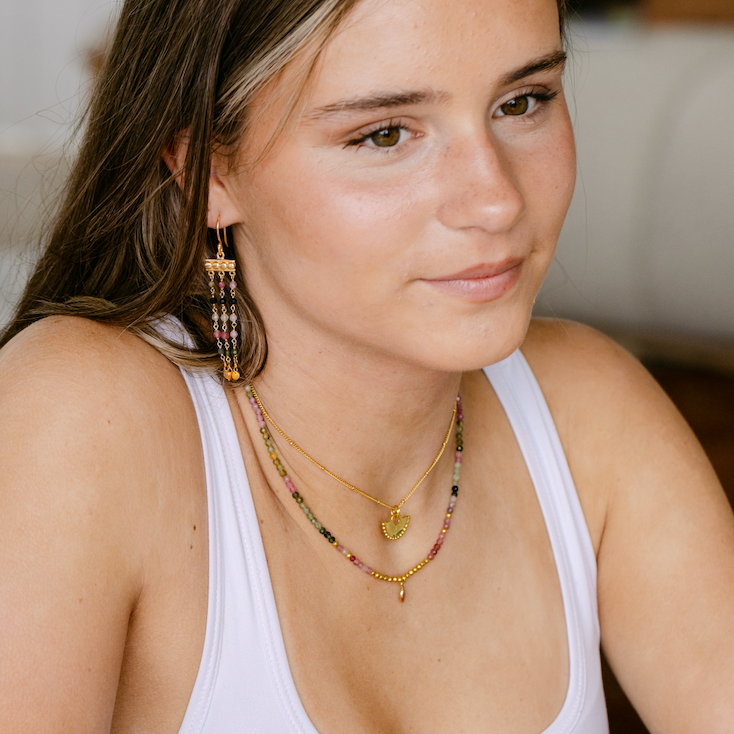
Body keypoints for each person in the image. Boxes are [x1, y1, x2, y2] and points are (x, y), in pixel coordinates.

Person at [1, 0, 733, 731]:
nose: (496, 201)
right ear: (206, 174)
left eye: (522, 101)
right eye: (385, 134)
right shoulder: (79, 422)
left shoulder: (590, 411)